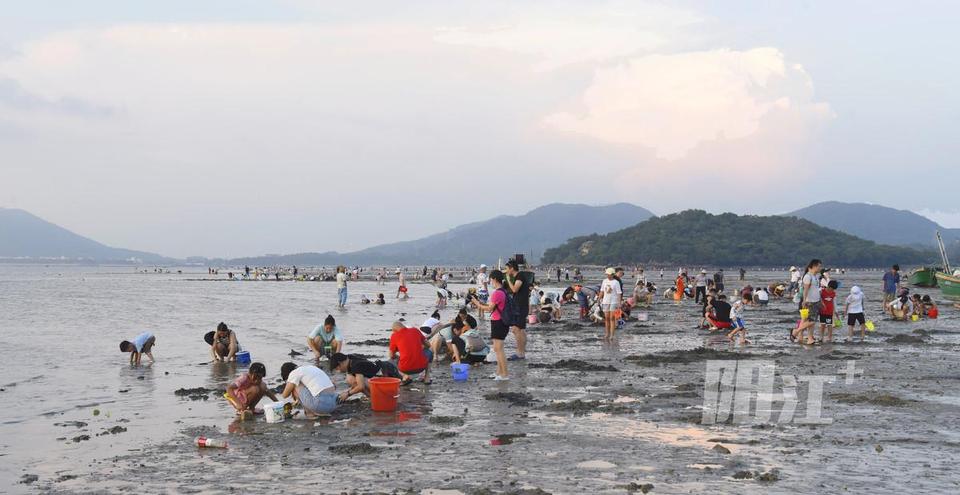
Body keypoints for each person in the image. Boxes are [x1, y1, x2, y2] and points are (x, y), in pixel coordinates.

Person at [472, 269, 510, 380]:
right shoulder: (503, 291)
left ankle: (504, 374)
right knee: (498, 348)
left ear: (494, 279)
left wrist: (477, 304)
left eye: (490, 280)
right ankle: (499, 372)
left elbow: (489, 308)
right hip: (501, 322)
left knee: (499, 349)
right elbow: (492, 306)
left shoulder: (497, 293)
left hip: (498, 322)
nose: (490, 282)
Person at [330, 353, 402, 402]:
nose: (339, 371)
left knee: (353, 380)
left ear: (340, 363)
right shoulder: (350, 358)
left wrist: (347, 394)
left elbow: (360, 386)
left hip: (388, 381)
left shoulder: (356, 366)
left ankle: (374, 399)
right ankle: (373, 397)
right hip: (386, 372)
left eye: (337, 369)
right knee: (350, 377)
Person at [503, 260, 530, 361]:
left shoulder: (520, 276)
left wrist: (508, 279)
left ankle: (520, 353)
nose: (506, 271)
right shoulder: (520, 276)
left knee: (515, 329)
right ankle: (522, 352)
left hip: (520, 307)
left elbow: (515, 289)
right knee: (521, 330)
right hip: (521, 306)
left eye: (507, 268)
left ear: (512, 268)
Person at [792, 259, 823, 345]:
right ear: (814, 266)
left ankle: (810, 338)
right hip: (810, 302)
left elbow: (816, 290)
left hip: (816, 301)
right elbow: (805, 290)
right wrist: (804, 301)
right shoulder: (807, 276)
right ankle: (796, 332)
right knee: (811, 321)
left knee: (811, 322)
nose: (820, 268)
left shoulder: (815, 277)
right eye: (819, 266)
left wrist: (821, 301)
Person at [600, 267, 622, 340]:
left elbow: (619, 293)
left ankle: (612, 335)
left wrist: (619, 303)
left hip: (614, 301)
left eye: (609, 274)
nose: (608, 276)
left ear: (612, 274)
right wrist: (599, 298)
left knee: (612, 318)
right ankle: (607, 334)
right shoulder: (604, 281)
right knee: (606, 318)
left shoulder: (616, 282)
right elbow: (602, 291)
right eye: (607, 274)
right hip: (605, 301)